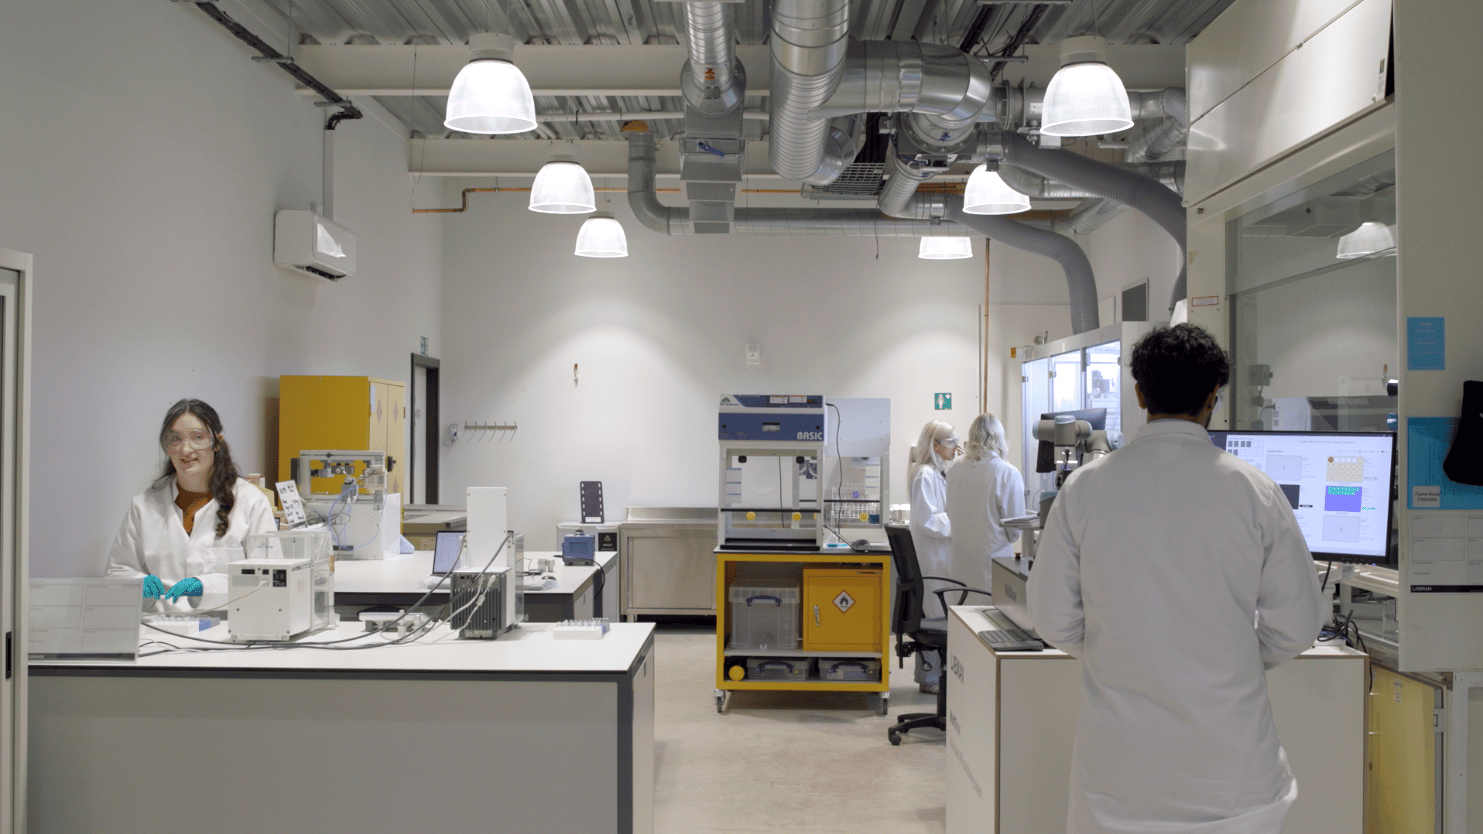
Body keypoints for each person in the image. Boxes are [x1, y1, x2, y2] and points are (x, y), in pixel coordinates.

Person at [1027, 324, 1325, 834]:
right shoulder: (1255, 491)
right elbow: (1297, 625)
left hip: (1120, 774)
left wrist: (1117, 648)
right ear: (1214, 396)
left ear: (1139, 393)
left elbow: (1052, 618)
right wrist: (1231, 659)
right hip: (1232, 773)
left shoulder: (1085, 490)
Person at [107, 399, 275, 610]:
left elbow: (269, 576)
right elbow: (117, 570)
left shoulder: (251, 502)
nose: (186, 449)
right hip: (159, 631)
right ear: (167, 447)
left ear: (217, 442)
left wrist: (207, 587)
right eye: (175, 439)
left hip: (228, 631)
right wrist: (138, 583)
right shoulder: (144, 506)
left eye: (198, 438)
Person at [945, 413, 1025, 595]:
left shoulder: (955, 467)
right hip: (991, 565)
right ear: (999, 438)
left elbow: (950, 511)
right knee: (987, 619)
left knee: (961, 616)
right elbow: (1015, 530)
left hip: (960, 563)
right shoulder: (1007, 473)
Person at [907, 419, 959, 694]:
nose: (956, 447)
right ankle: (930, 679)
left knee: (935, 614)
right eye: (951, 442)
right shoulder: (925, 475)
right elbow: (929, 520)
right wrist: (959, 522)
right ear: (935, 445)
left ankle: (929, 677)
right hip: (933, 558)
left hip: (938, 556)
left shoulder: (938, 474)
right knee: (935, 616)